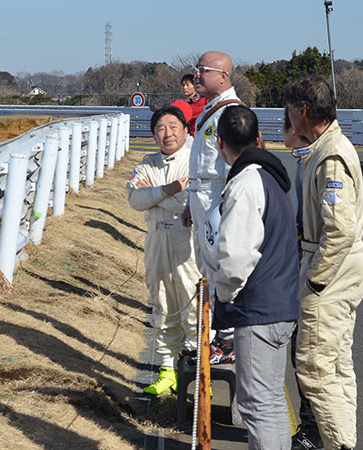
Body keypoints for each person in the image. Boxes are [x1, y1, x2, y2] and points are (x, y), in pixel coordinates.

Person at [204, 105, 300, 449]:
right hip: (280, 304)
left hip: (258, 310)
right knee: (270, 402)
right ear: (258, 137)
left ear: (219, 142)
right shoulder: (272, 178)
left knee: (258, 406)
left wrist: (225, 294)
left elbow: (236, 257)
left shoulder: (245, 184)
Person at [286, 75, 363, 450]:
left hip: (330, 269)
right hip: (338, 266)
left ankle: (339, 445)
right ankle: (345, 440)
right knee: (336, 364)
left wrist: (314, 283)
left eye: (290, 111)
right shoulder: (324, 146)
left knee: (315, 366)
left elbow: (339, 230)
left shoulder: (331, 155)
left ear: (303, 112)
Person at [127, 104, 201, 395]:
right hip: (157, 240)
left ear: (185, 130)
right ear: (153, 136)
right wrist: (168, 190)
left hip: (188, 242)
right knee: (162, 306)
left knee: (193, 306)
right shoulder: (147, 162)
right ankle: (167, 371)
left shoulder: (196, 161)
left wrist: (155, 195)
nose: (167, 133)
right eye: (160, 128)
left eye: (173, 127)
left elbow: (192, 203)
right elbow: (134, 198)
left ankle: (197, 373)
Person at [181, 50, 243, 365]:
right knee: (208, 270)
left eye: (202, 70)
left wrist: (225, 210)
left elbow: (237, 168)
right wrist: (192, 201)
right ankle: (216, 337)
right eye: (196, 69)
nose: (196, 76)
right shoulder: (211, 109)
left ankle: (228, 340)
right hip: (202, 196)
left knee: (223, 270)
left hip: (219, 199)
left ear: (222, 76)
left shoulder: (230, 112)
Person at [282, 108, 325, 450]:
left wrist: (315, 282)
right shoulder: (304, 160)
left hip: (317, 278)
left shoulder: (324, 160)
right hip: (304, 267)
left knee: (311, 354)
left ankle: (315, 429)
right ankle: (311, 425)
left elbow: (336, 232)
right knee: (303, 352)